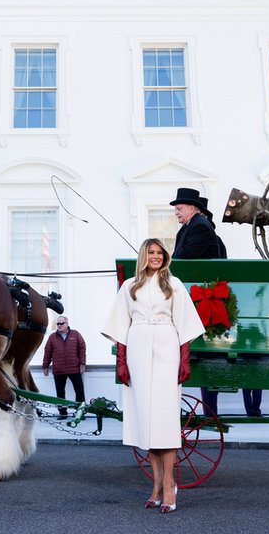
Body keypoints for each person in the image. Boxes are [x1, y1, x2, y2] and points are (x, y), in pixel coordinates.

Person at [103, 238, 204, 514]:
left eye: (160, 253)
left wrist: (184, 360)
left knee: (164, 420)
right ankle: (156, 487)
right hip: (137, 349)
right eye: (151, 252)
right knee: (145, 421)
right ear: (143, 256)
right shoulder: (129, 287)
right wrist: (121, 363)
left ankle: (170, 486)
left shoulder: (174, 285)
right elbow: (120, 328)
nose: (156, 256)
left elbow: (185, 324)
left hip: (166, 349)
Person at [170, 189, 222, 416]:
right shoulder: (190, 227)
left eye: (179, 209)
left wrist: (161, 264)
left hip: (201, 292)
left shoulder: (200, 226)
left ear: (192, 208)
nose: (176, 213)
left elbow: (187, 257)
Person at [42, 315, 87, 419]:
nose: (59, 325)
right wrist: (45, 366)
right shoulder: (52, 337)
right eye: (58, 323)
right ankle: (62, 413)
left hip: (74, 368)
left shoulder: (75, 334)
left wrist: (82, 363)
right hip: (59, 370)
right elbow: (47, 352)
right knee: (60, 393)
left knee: (79, 391)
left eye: (62, 323)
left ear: (67, 324)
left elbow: (82, 348)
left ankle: (80, 413)